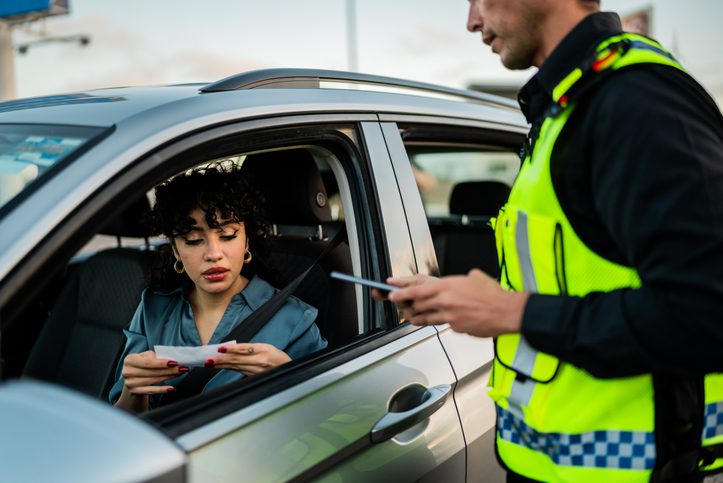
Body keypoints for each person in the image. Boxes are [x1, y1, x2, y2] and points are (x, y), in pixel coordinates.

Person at [383, 1, 723, 482]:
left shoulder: (634, 99)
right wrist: (463, 303)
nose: (471, 21)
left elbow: (708, 311)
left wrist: (512, 312)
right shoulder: (570, 104)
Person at [109, 163, 327, 413]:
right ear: (176, 250)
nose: (213, 254)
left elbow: (327, 415)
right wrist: (132, 391)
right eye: (193, 240)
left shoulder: (294, 320)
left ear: (246, 240)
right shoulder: (152, 309)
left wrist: (289, 378)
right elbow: (128, 419)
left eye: (228, 235)